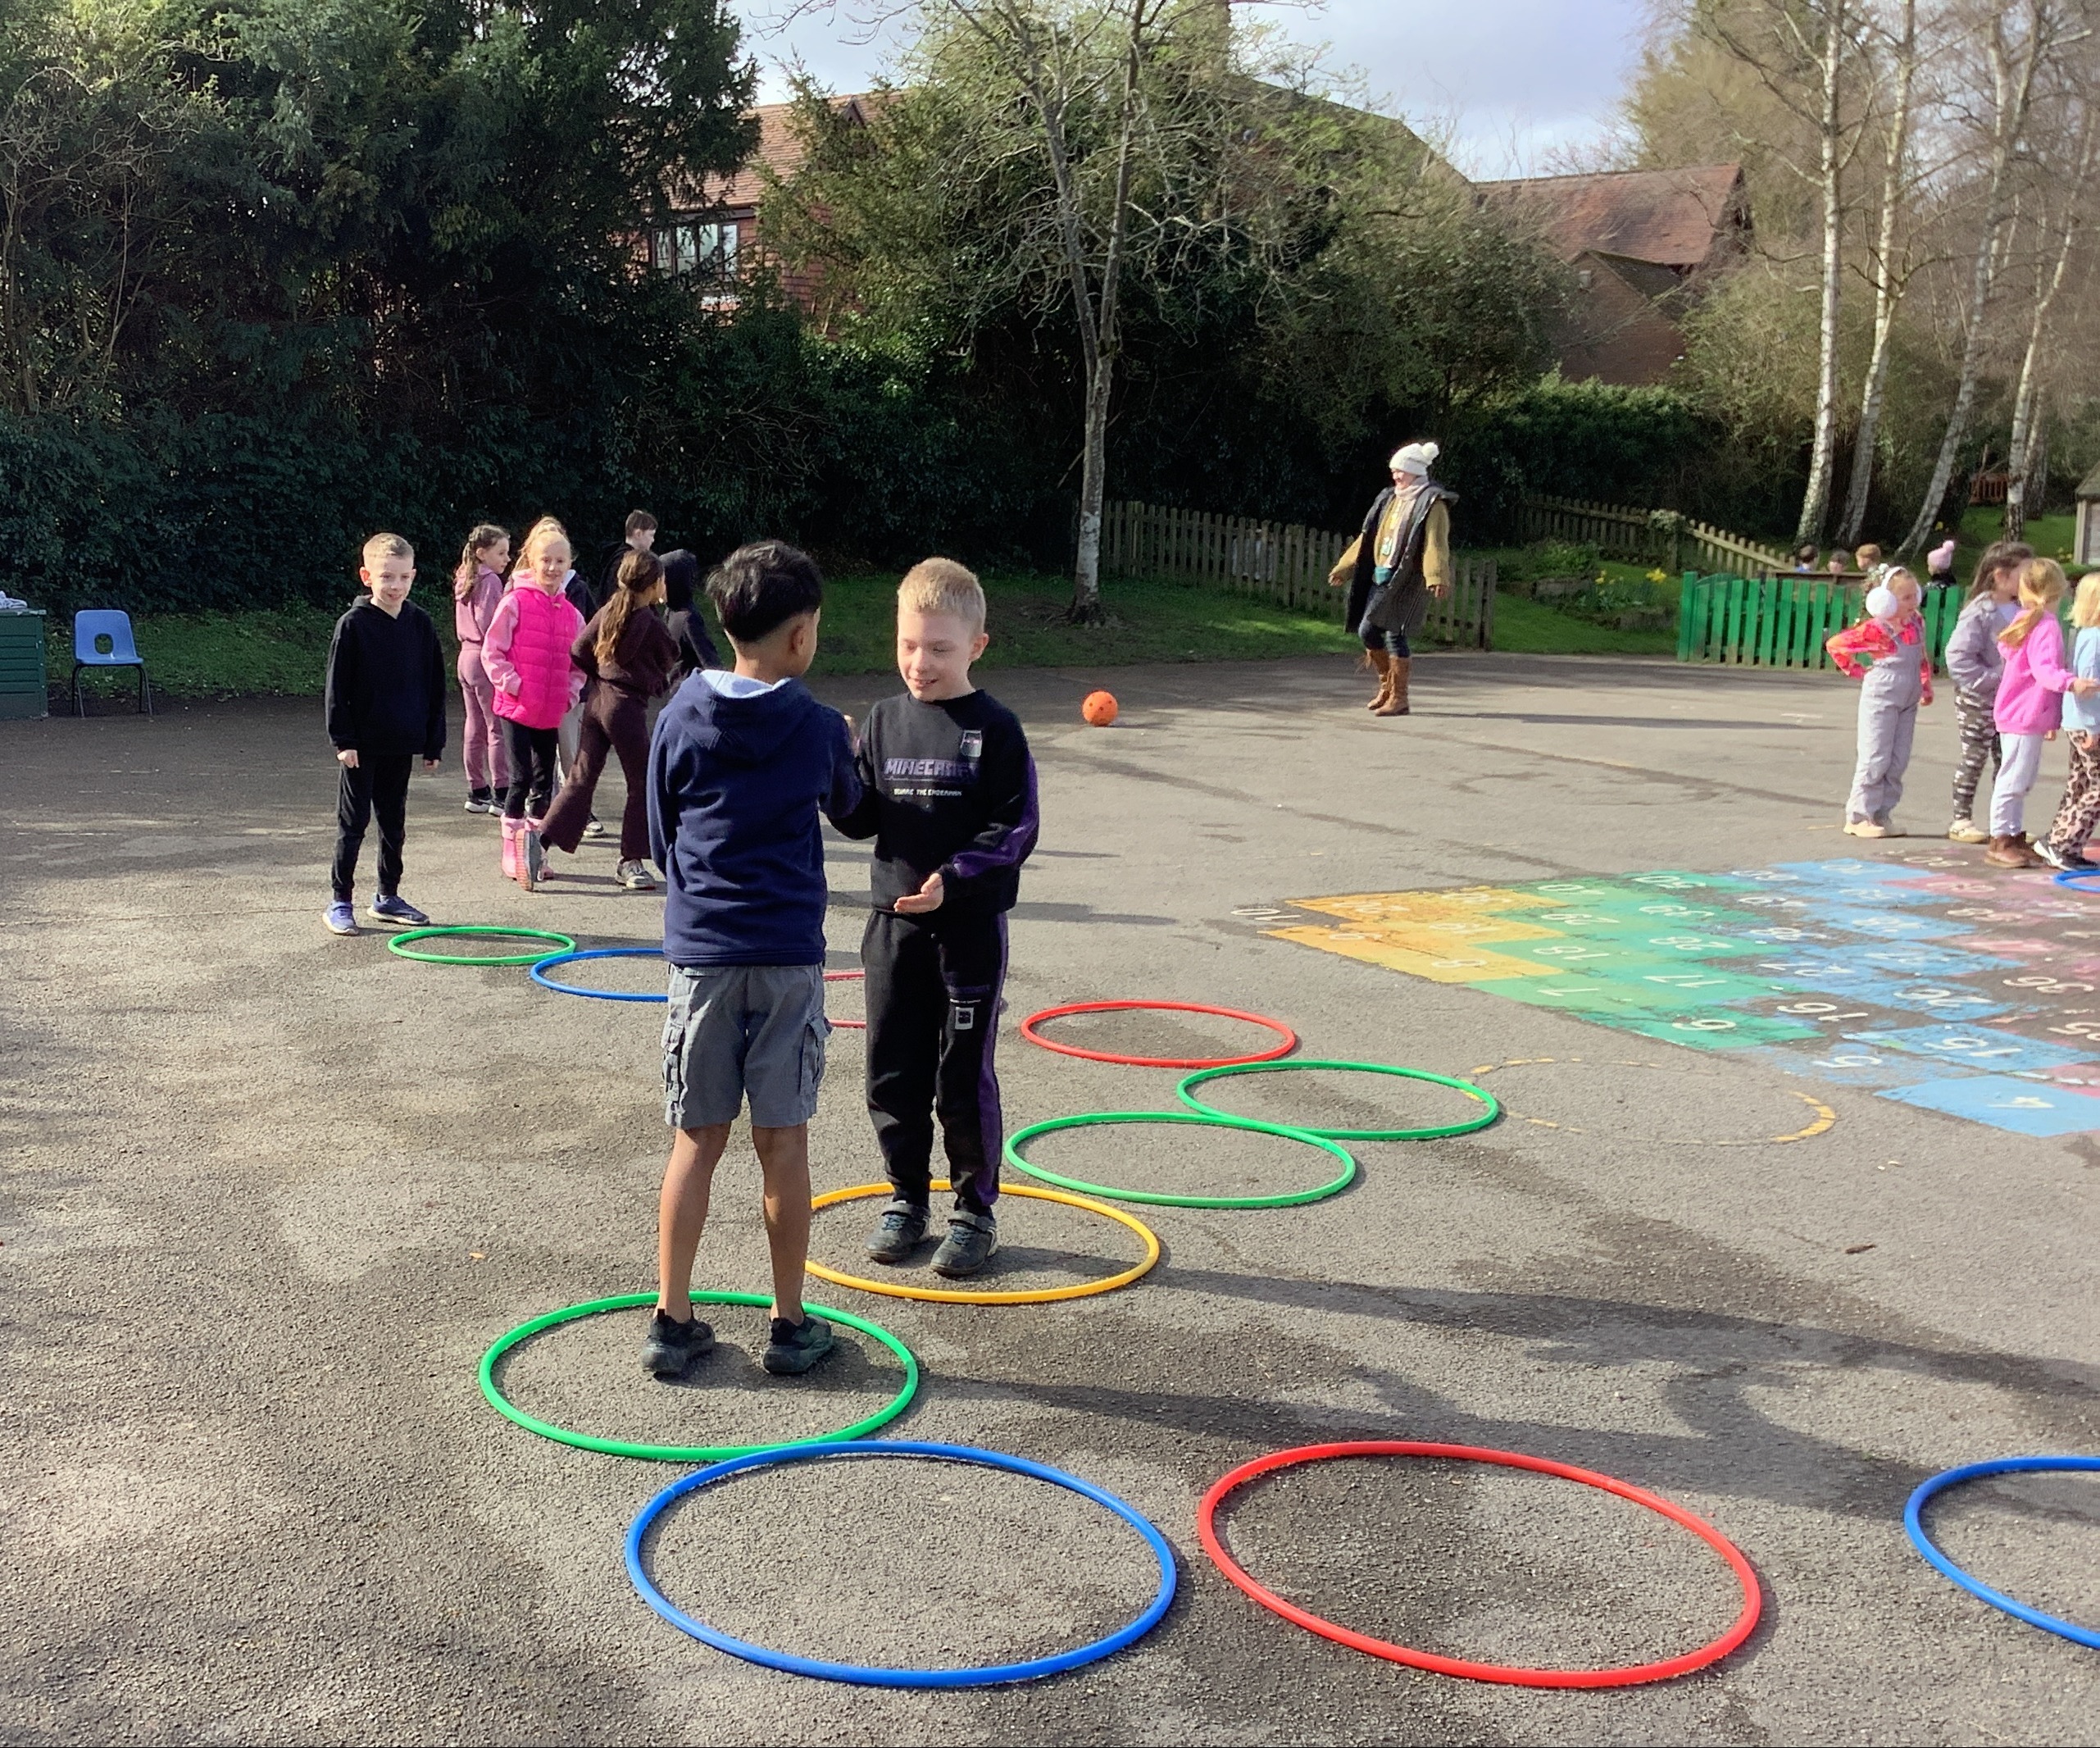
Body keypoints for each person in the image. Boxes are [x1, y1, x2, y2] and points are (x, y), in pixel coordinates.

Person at [640, 539, 861, 1382]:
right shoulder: (815, 726)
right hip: (786, 960)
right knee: (783, 1140)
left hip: (702, 956)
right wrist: (847, 749)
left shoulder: (680, 714)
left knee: (696, 1140)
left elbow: (660, 832)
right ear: (801, 635)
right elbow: (854, 811)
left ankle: (672, 1321)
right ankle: (789, 1324)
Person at [831, 558, 1038, 1279]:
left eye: (940, 649)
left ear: (977, 645)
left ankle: (973, 1211)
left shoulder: (997, 729)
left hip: (967, 931)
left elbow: (1016, 828)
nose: (920, 663)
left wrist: (953, 881)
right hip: (893, 927)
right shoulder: (884, 720)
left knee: (961, 1075)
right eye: (909, 645)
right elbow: (860, 818)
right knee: (892, 1069)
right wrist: (837, 768)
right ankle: (906, 1198)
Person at [322, 533, 445, 935]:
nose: (396, 586)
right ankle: (340, 900)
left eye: (404, 577)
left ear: (413, 576)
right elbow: (337, 687)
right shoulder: (353, 625)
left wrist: (433, 741)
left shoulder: (420, 624)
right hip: (361, 746)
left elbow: (434, 685)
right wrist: (344, 741)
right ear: (367, 576)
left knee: (394, 823)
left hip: (402, 742)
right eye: (387, 577)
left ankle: (387, 895)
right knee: (353, 824)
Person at [540, 549, 679, 890]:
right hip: (625, 708)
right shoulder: (651, 622)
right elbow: (670, 658)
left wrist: (600, 675)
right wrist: (648, 682)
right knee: (642, 781)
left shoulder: (609, 610)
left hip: (597, 702)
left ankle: (539, 841)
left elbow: (578, 649)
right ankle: (630, 861)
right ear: (653, 584)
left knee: (581, 777)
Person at [483, 517, 586, 889]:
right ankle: (511, 850)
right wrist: (513, 684)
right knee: (520, 778)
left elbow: (579, 665)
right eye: (546, 560)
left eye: (560, 561)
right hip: (516, 707)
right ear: (531, 560)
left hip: (550, 711)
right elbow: (492, 652)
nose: (553, 568)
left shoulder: (573, 615)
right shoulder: (514, 602)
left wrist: (569, 694)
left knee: (545, 784)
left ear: (569, 564)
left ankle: (535, 851)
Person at [1986, 558, 2099, 869]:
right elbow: (2045, 671)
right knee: (2013, 779)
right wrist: (2072, 683)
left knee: (2021, 779)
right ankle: (2000, 839)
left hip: (2027, 715)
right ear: (2057, 589)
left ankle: (2013, 835)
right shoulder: (2044, 625)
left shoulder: (2030, 619)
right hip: (2022, 715)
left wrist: (2050, 717)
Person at [1328, 440, 1454, 717]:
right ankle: (1387, 686)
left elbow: (1436, 543)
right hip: (1381, 576)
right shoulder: (1389, 499)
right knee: (1367, 631)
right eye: (1394, 471)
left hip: (1407, 578)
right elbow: (1367, 537)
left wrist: (1436, 576)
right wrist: (1344, 567)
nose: (1396, 475)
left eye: (1401, 471)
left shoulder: (1432, 503)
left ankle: (1399, 698)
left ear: (1415, 472)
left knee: (1395, 634)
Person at [1827, 567, 1932, 839]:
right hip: (1882, 696)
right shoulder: (1877, 628)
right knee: (1875, 757)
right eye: (1906, 598)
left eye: (1914, 595)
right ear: (1886, 601)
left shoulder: (1916, 622)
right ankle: (1858, 816)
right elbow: (1836, 645)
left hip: (1908, 698)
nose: (1913, 602)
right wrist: (1857, 670)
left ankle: (1882, 814)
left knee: (1898, 760)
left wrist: (1925, 685)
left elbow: (1921, 656)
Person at [1943, 540, 2032, 844]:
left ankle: (2003, 825)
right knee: (1974, 757)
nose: (2030, 580)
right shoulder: (1980, 611)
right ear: (2000, 575)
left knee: (2006, 760)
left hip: (2009, 701)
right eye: (2024, 574)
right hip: (1978, 700)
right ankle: (1960, 820)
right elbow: (1957, 657)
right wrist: (1992, 679)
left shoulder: (2022, 609)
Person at [2039, 571, 2100, 873]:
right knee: (2097, 786)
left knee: (2081, 782)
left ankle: (2058, 839)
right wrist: (2093, 728)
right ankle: (2064, 844)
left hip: (2081, 721)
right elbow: (2087, 687)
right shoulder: (2095, 638)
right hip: (2088, 724)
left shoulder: (2087, 634)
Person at [452, 523, 511, 815]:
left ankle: (477, 790)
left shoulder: (465, 576)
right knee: (496, 727)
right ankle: (502, 792)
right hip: (484, 657)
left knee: (474, 725)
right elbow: (490, 625)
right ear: (481, 553)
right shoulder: (490, 581)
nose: (507, 559)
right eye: (501, 553)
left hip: (465, 656)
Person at [660, 548, 722, 681]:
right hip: (673, 688)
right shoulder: (670, 611)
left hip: (687, 689)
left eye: (661, 581)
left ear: (674, 582)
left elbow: (709, 661)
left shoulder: (688, 619)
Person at [599, 509, 658, 603]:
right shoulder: (626, 561)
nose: (653, 540)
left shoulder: (616, 555)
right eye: (651, 535)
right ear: (638, 534)